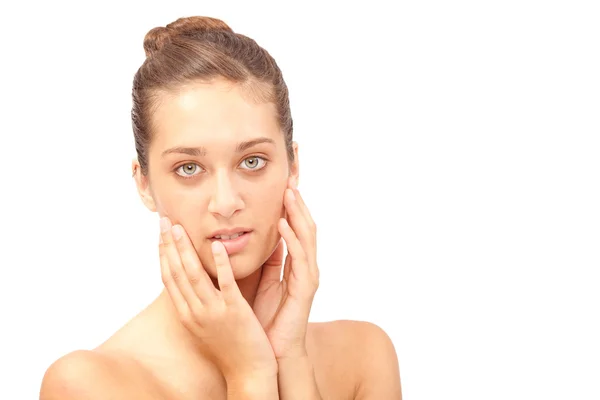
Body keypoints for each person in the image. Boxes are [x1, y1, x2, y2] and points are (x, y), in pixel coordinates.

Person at [39, 16, 402, 399]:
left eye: (252, 161)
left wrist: (290, 359)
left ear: (292, 165)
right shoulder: (87, 384)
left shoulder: (365, 357)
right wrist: (250, 373)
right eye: (189, 168)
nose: (226, 203)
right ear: (143, 183)